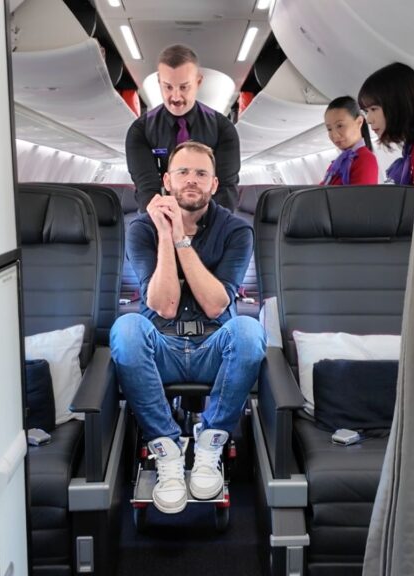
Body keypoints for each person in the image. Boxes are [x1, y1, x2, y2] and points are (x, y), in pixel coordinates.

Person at [110, 141, 265, 515]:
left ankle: (211, 442)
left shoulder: (236, 232)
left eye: (201, 174)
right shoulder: (142, 230)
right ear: (166, 181)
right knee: (126, 328)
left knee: (249, 330)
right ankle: (166, 446)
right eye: (182, 172)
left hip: (216, 348)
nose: (191, 181)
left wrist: (181, 237)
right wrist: (165, 234)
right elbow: (163, 304)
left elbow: (215, 304)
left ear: (214, 184)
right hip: (160, 346)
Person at [125, 44, 240, 212]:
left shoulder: (223, 128)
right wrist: (162, 227)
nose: (176, 97)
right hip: (163, 213)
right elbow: (147, 189)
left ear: (198, 81)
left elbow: (225, 188)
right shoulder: (140, 131)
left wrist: (212, 231)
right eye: (168, 87)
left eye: (184, 87)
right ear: (159, 82)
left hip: (210, 214)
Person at [358, 62, 414, 186]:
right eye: (366, 111)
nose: (368, 120)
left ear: (398, 104)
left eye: (373, 109)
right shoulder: (412, 146)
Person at [320, 96, 379, 185]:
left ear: (359, 122)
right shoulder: (337, 163)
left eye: (340, 126)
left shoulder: (365, 159)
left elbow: (360, 198)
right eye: (329, 129)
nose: (334, 135)